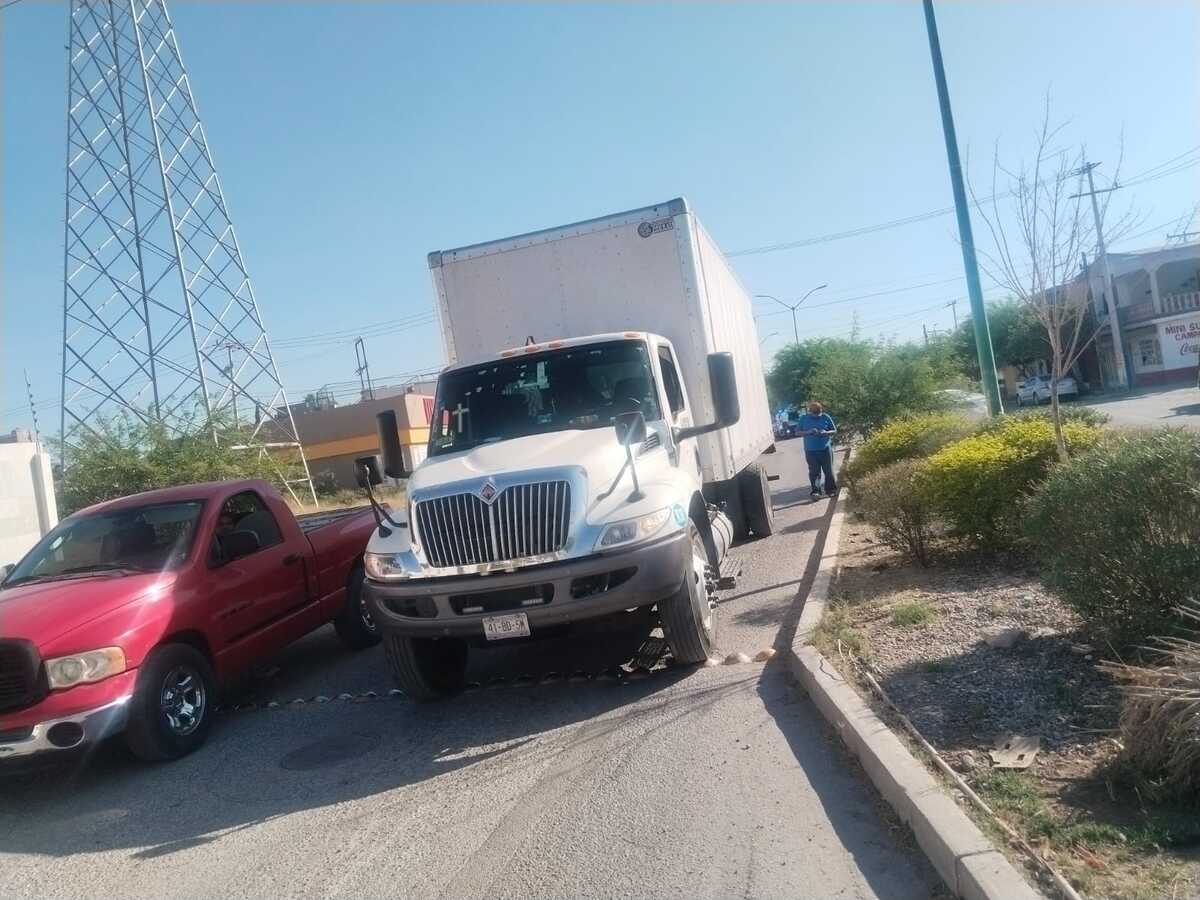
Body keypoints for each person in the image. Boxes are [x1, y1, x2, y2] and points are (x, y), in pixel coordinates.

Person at [798, 401, 837, 498]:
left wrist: (826, 432)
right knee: (814, 472)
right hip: (810, 451)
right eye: (814, 414)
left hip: (825, 449)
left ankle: (830, 490)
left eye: (818, 414)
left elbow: (834, 430)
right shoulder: (803, 419)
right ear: (809, 412)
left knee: (828, 471)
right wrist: (808, 432)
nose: (817, 416)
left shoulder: (825, 417)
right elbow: (797, 432)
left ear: (821, 411)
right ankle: (816, 492)